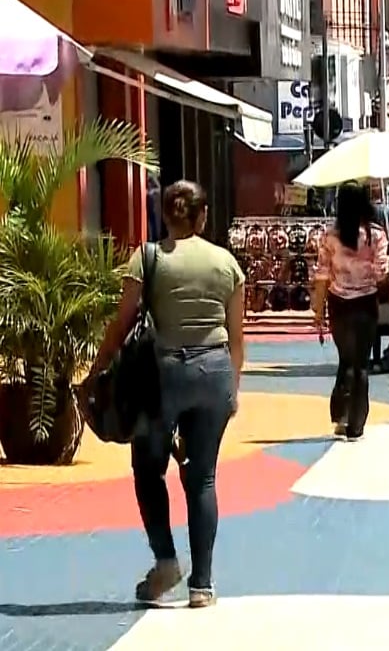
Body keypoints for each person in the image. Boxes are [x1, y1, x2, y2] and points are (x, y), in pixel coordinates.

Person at [89, 180, 245, 609]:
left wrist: (99, 366)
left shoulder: (149, 258)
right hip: (213, 372)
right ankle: (203, 585)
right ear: (203, 215)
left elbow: (123, 322)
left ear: (166, 216)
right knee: (203, 479)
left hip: (163, 377)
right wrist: (232, 389)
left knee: (149, 469)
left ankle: (166, 560)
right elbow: (237, 338)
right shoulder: (226, 264)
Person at [312, 182, 389, 442]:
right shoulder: (376, 235)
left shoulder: (329, 236)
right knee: (361, 364)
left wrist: (318, 312)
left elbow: (322, 275)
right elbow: (381, 273)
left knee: (345, 359)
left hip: (338, 304)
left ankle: (339, 414)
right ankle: (356, 425)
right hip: (366, 304)